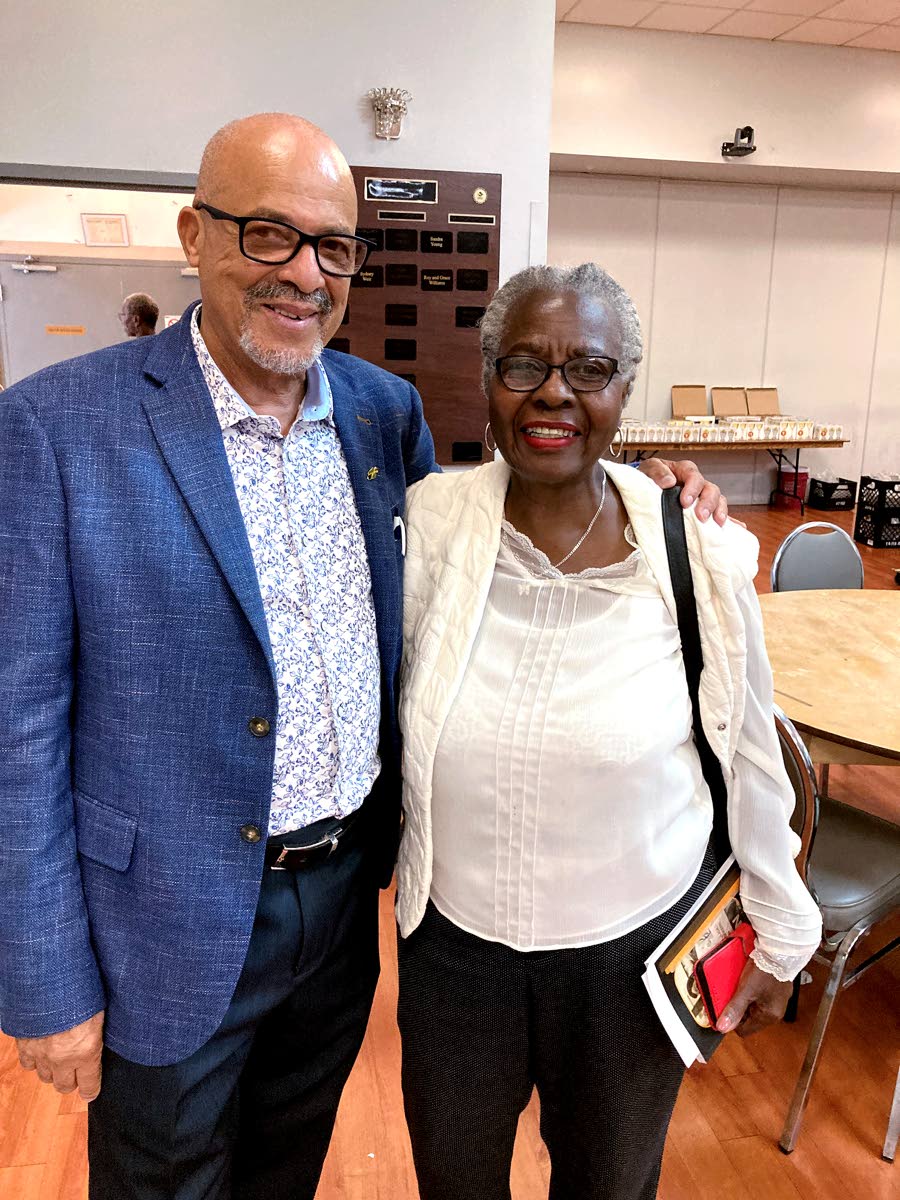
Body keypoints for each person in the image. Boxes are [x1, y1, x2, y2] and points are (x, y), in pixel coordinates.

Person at [0, 110, 723, 1199]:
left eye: (334, 246)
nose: (305, 273)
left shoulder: (383, 419)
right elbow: (17, 730)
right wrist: (45, 980)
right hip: (167, 918)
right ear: (194, 235)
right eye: (268, 235)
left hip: (344, 906)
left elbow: (469, 570)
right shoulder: (57, 430)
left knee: (287, 1166)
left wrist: (654, 490)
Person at [395, 263, 822, 1200]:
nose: (555, 392)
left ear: (625, 390)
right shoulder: (430, 522)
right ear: (488, 381)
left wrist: (783, 935)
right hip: (453, 954)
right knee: (453, 1183)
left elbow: (751, 752)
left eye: (590, 368)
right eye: (524, 365)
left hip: (631, 958)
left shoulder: (694, 548)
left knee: (609, 1185)